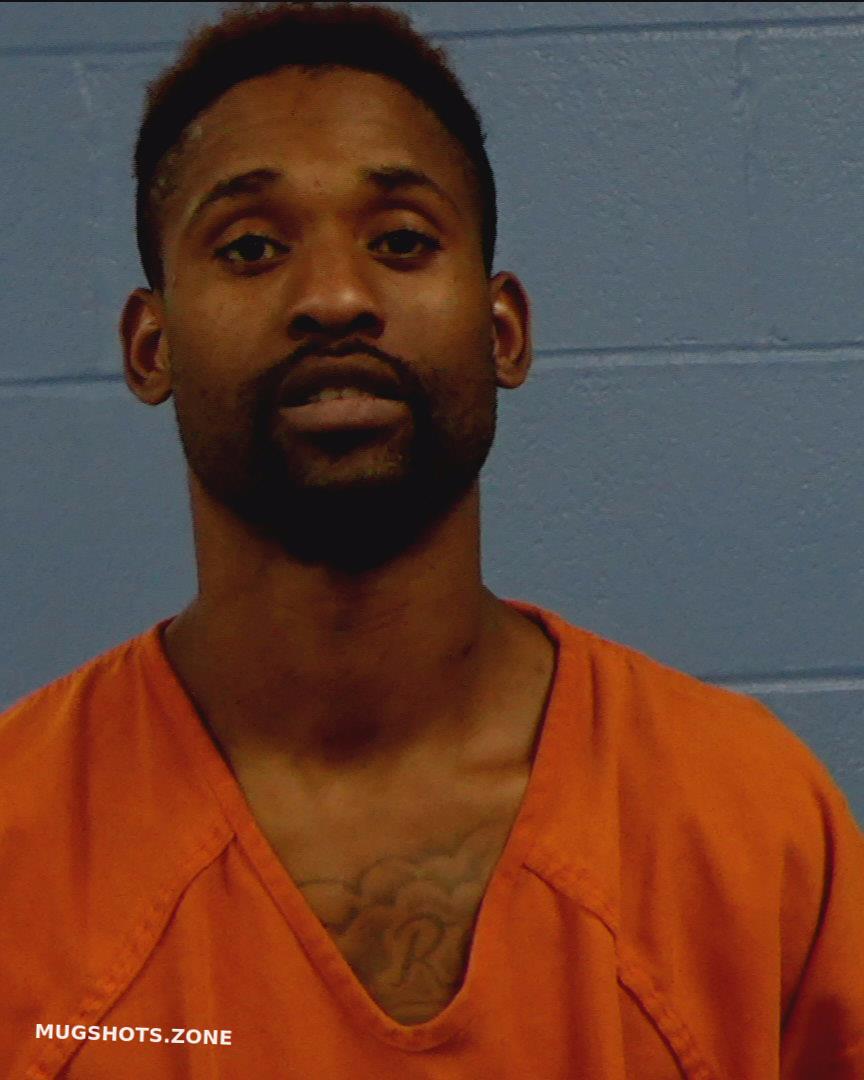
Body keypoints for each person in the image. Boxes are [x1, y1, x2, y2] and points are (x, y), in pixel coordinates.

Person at [1, 2, 862, 1077]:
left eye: (402, 242)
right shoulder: (18, 837)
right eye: (252, 247)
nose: (334, 298)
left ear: (503, 331)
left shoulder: (750, 819)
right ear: (150, 345)